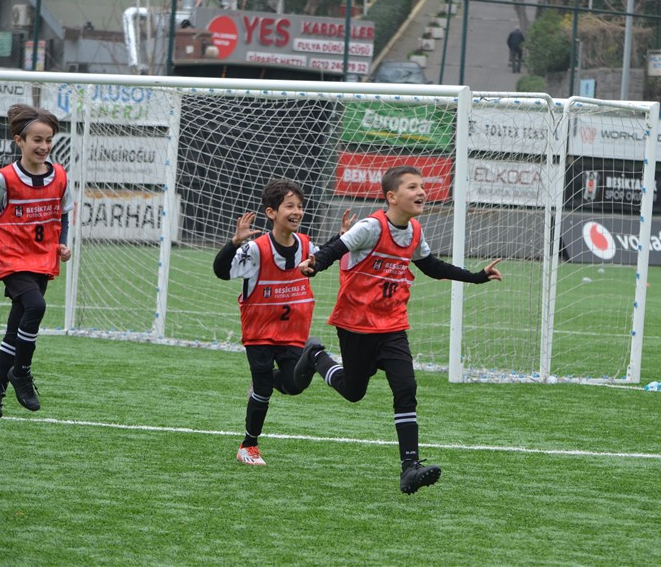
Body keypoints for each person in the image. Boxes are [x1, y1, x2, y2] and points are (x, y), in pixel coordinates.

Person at [296, 166, 503, 494]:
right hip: (356, 325)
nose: (421, 192)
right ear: (392, 197)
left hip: (392, 326)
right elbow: (336, 249)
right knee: (354, 391)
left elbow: (431, 266)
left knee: (406, 387)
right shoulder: (371, 227)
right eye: (412, 187)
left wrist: (477, 276)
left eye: (422, 186)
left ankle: (410, 467)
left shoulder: (415, 231)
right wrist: (315, 264)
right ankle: (316, 356)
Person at [213, 179, 354, 466]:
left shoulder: (305, 245)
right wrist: (234, 243)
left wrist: (342, 238)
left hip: (292, 334)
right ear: (271, 213)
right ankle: (248, 446)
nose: (297, 211)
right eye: (289, 206)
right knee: (263, 390)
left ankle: (309, 356)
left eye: (300, 206)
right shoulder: (256, 250)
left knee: (294, 385)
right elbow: (221, 271)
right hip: (260, 333)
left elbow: (323, 256)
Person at [0, 104, 74, 418]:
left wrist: (61, 243)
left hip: (43, 259)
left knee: (17, 324)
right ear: (19, 140)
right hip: (13, 258)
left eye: (49, 140)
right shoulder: (5, 178)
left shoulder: (60, 176)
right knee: (36, 306)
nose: (44, 146)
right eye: (37, 140)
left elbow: (62, 213)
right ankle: (21, 372)